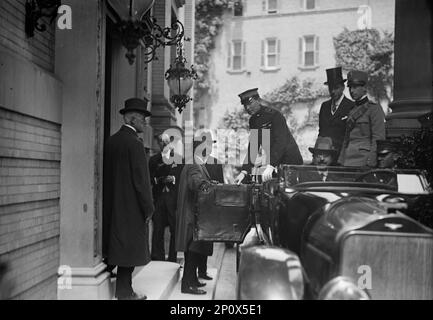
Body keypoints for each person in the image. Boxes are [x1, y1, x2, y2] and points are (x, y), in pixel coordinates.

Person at [102, 97, 154, 300]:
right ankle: (125, 293)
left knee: (117, 245)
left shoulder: (112, 141)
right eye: (142, 118)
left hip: (112, 204)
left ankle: (115, 281)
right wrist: (149, 208)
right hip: (131, 207)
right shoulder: (135, 144)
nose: (145, 122)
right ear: (132, 119)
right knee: (129, 250)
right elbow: (142, 181)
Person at [234, 88, 303, 184]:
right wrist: (244, 171)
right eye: (245, 105)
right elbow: (253, 147)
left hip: (290, 162)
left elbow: (280, 142)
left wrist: (271, 165)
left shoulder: (275, 115)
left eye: (250, 104)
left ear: (258, 100)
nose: (248, 108)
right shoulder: (253, 120)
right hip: (275, 163)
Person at [175, 139, 216, 295]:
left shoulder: (196, 163)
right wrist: (210, 186)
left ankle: (192, 280)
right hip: (192, 216)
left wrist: (209, 183)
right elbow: (196, 184)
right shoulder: (194, 164)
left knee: (192, 250)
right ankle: (187, 285)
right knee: (191, 251)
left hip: (193, 214)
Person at [338, 70, 386, 167]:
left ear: (365, 88)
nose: (351, 91)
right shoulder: (352, 110)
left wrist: (371, 162)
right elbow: (347, 139)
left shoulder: (374, 109)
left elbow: (378, 138)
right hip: (347, 159)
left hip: (363, 159)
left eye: (355, 87)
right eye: (350, 87)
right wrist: (341, 159)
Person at [149, 133, 183, 263]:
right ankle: (158, 258)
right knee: (158, 229)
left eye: (166, 142)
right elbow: (149, 178)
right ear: (158, 144)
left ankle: (173, 259)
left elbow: (182, 178)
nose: (164, 145)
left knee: (174, 230)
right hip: (159, 199)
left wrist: (173, 179)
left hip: (173, 200)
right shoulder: (153, 160)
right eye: (161, 142)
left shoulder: (179, 159)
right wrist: (159, 180)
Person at [318, 67, 355, 156]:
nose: (333, 91)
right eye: (330, 88)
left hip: (342, 155)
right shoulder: (324, 106)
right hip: (325, 154)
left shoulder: (351, 106)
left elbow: (351, 136)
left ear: (343, 87)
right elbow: (321, 132)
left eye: (336, 88)